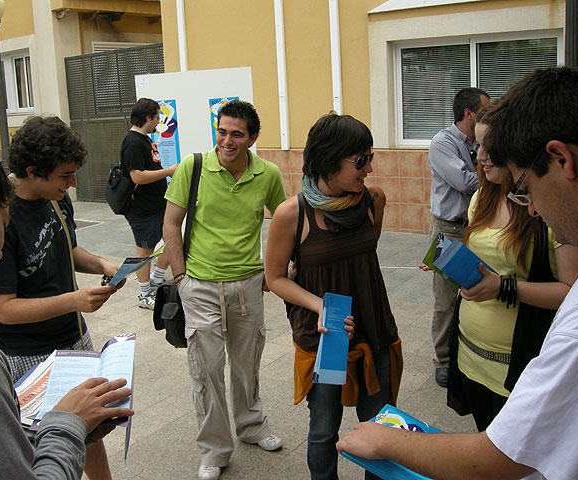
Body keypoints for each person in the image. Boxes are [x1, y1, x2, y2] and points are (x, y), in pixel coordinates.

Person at [337, 66, 578, 480]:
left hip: (514, 358)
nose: (533, 208)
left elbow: (498, 456)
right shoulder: (482, 198)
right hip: (474, 355)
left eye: (526, 186)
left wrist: (385, 440)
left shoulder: (573, 329)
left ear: (561, 159)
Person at [0, 129, 133, 479]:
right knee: (37, 439)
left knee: (90, 426)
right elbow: (3, 309)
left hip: (70, 335)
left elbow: (67, 247)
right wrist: (75, 300)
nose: (74, 183)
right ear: (32, 172)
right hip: (26, 351)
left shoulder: (57, 200)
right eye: (65, 175)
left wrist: (104, 265)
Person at [265, 113, 402, 480]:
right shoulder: (291, 213)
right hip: (325, 336)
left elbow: (364, 253)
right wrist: (320, 307)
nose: (370, 169)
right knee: (324, 431)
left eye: (370, 158)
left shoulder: (373, 199)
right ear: (329, 158)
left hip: (373, 328)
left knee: (382, 427)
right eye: (361, 160)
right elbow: (274, 278)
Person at [162, 100, 286, 480]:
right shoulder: (193, 167)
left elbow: (285, 221)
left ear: (252, 138)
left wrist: (273, 271)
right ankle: (214, 450)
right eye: (222, 131)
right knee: (208, 370)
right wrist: (181, 277)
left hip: (248, 285)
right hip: (199, 285)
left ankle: (251, 426)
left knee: (247, 364)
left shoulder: (267, 174)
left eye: (236, 134)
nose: (227, 141)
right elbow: (170, 224)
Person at [447, 112, 578, 431]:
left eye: (488, 145)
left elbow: (572, 292)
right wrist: (453, 263)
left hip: (519, 365)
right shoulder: (480, 198)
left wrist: (503, 288)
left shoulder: (552, 207)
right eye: (476, 145)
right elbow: (484, 257)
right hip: (470, 356)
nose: (479, 156)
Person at [427, 87, 490, 387]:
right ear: (469, 113)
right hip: (449, 230)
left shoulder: (476, 143)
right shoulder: (443, 142)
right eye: (484, 111)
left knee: (474, 292)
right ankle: (443, 360)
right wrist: (493, 171)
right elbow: (465, 182)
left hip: (474, 228)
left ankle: (465, 350)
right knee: (446, 299)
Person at [121, 98, 178, 309]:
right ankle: (145, 294)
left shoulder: (144, 139)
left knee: (172, 241)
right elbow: (137, 176)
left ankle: (157, 277)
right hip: (142, 210)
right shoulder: (133, 142)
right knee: (144, 252)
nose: (158, 122)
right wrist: (169, 171)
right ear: (148, 118)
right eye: (156, 117)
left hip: (158, 206)